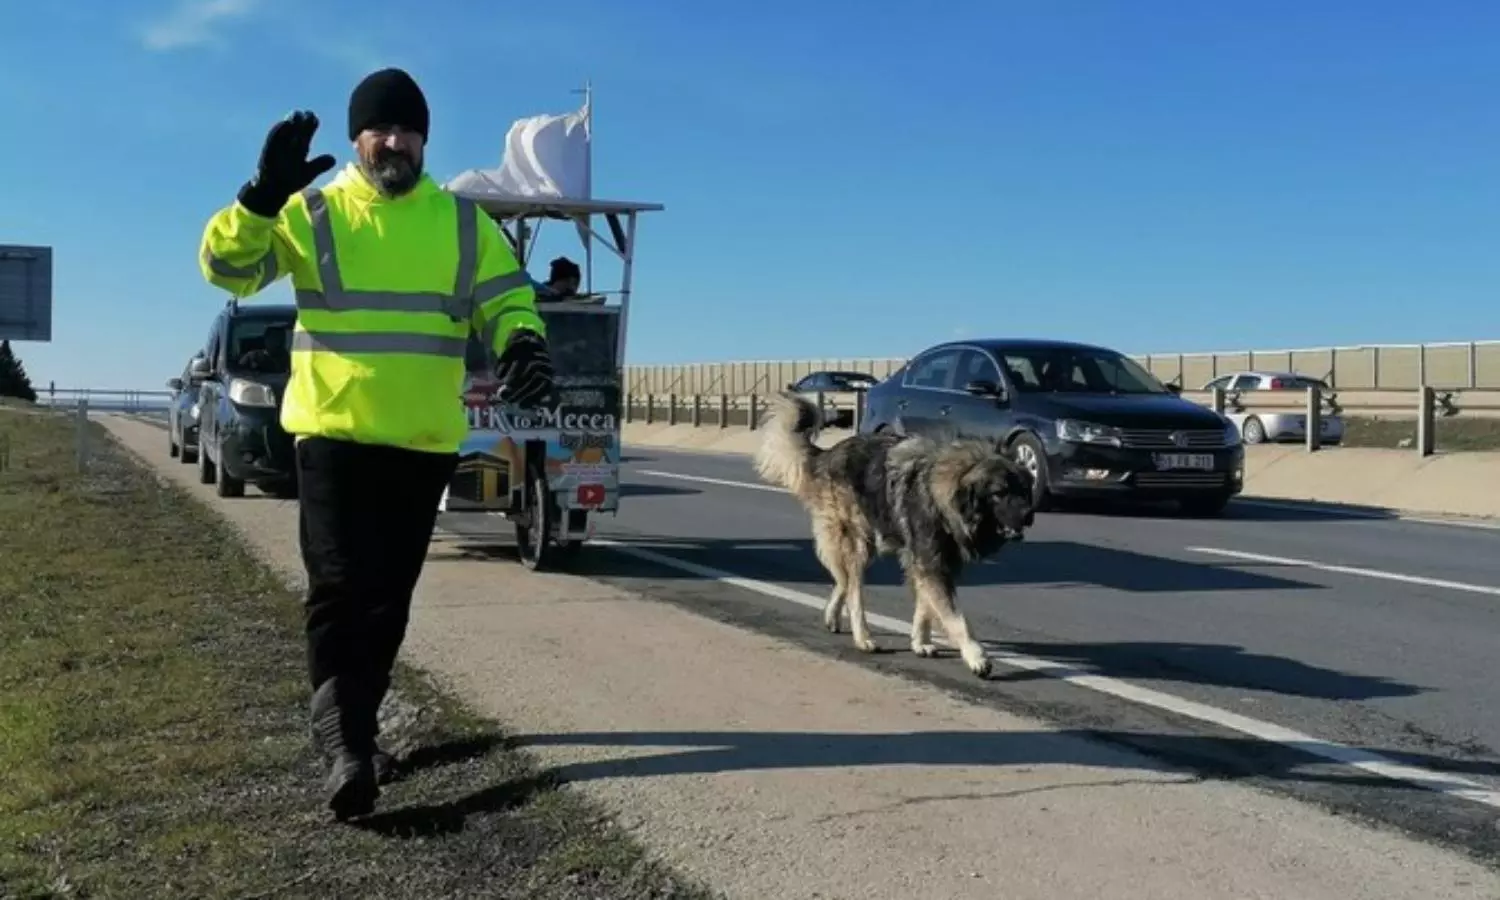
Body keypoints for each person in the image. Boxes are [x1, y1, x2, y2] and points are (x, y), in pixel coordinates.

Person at [197, 67, 555, 821]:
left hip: (421, 444)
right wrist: (260, 197)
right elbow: (225, 268)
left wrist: (523, 343)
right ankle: (347, 749)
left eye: (407, 129)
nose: (393, 141)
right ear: (358, 138)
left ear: (424, 138)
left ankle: (351, 728)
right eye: (378, 129)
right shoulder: (314, 212)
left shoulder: (461, 223)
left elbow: (508, 298)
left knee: (387, 602)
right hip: (332, 436)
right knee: (338, 589)